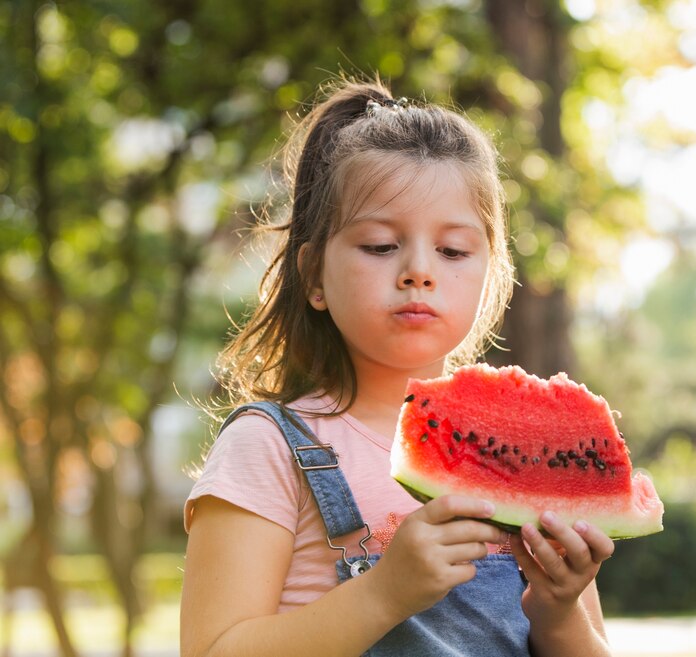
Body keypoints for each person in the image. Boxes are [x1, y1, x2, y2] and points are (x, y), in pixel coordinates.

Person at [180, 78, 615, 657]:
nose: (418, 271)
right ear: (313, 277)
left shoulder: (529, 450)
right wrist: (383, 594)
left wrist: (558, 613)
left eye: (454, 251)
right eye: (381, 246)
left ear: (490, 272)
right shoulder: (269, 447)